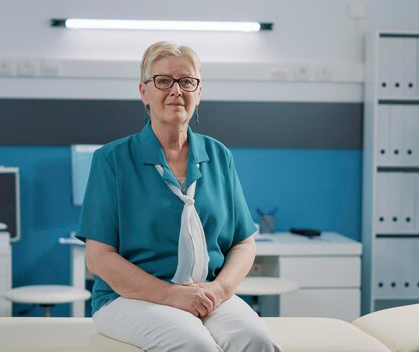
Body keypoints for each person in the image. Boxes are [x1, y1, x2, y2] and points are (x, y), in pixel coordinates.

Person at [77, 41, 280, 352]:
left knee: (257, 339)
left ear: (198, 93)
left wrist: (219, 290)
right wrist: (171, 295)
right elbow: (99, 257)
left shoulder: (218, 155)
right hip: (128, 299)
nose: (176, 90)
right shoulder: (112, 159)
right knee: (194, 343)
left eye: (187, 81)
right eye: (162, 81)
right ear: (144, 92)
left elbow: (243, 242)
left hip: (208, 292)